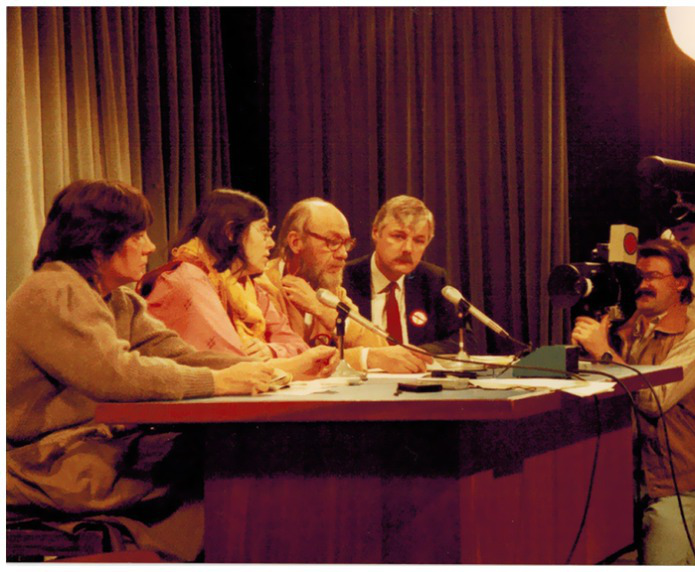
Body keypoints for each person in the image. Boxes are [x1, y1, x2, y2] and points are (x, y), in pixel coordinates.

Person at [7, 180, 285, 561]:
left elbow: (176, 354)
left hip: (93, 448)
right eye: (139, 236)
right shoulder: (53, 289)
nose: (151, 247)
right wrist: (217, 382)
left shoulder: (117, 300)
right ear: (98, 240)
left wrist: (269, 369)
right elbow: (114, 374)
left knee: (231, 456)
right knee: (222, 465)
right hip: (44, 462)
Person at [571, 238, 695, 565]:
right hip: (624, 483)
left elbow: (654, 400)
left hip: (672, 487)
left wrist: (605, 354)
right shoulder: (632, 333)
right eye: (640, 276)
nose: (644, 284)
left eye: (654, 276)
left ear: (681, 283)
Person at [141, 189, 338, 379]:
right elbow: (230, 362)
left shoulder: (248, 287)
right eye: (263, 231)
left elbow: (297, 346)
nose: (270, 243)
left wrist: (270, 350)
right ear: (231, 232)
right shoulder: (187, 280)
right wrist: (295, 363)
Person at [260, 197, 432, 373]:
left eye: (346, 243)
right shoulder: (262, 286)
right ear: (296, 242)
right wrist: (366, 358)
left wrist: (322, 310)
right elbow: (280, 363)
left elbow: (380, 345)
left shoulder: (330, 291)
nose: (343, 254)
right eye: (333, 242)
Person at [344, 195, 465, 355]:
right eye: (398, 236)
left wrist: (415, 354)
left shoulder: (433, 279)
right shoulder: (345, 278)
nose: (408, 248)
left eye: (419, 240)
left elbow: (463, 339)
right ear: (376, 232)